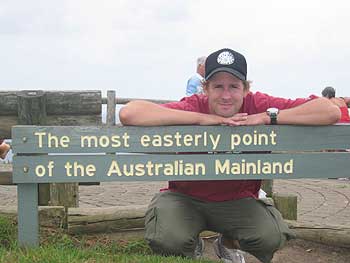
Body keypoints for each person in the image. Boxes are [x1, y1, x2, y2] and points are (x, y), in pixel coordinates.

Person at [119, 48, 340, 263]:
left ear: (245, 88)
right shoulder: (194, 105)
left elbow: (329, 111)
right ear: (205, 88)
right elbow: (130, 113)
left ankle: (228, 243)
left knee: (270, 237)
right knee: (168, 239)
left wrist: (266, 118)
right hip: (184, 197)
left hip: (238, 200)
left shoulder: (259, 104)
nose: (226, 95)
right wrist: (201, 119)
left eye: (234, 86)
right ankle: (191, 243)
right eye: (218, 86)